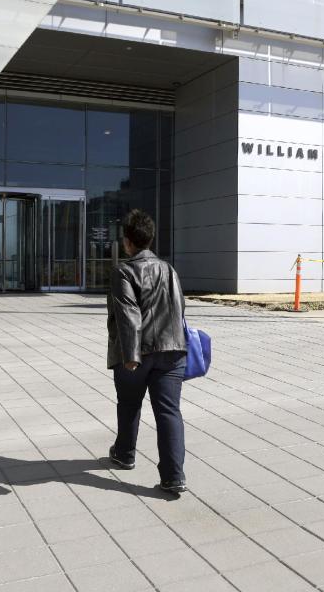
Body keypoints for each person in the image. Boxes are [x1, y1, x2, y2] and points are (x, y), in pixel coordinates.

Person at [107, 209, 188, 494]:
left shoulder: (124, 271)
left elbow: (129, 314)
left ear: (128, 242)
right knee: (169, 411)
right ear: (149, 239)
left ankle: (125, 454)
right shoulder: (168, 269)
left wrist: (130, 356)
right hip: (172, 350)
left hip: (138, 355)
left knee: (129, 404)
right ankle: (174, 476)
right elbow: (180, 307)